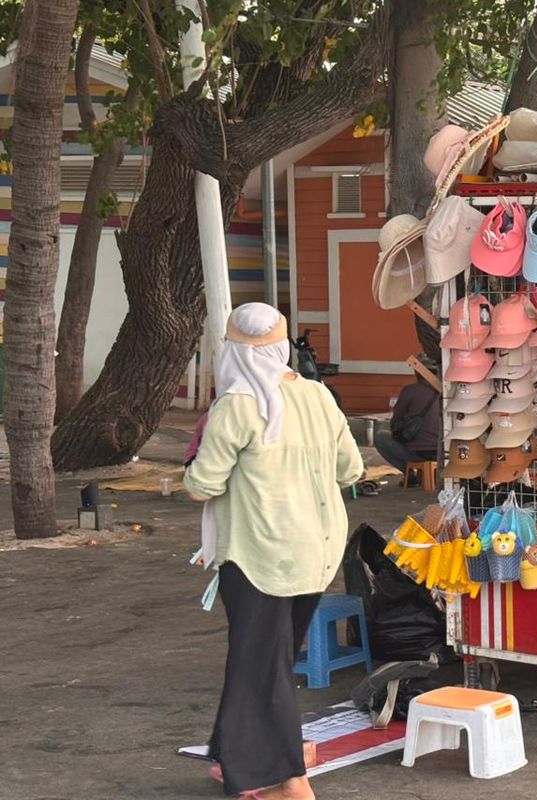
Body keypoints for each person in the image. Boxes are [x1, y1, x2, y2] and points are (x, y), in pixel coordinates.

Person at [184, 303, 364, 799]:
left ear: (233, 352)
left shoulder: (236, 407)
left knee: (263, 666)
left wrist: (190, 461)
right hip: (316, 552)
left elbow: (203, 485)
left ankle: (292, 781)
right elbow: (351, 469)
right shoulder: (318, 397)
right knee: (263, 661)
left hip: (258, 557)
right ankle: (232, 756)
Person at [376, 364, 441, 471]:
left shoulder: (410, 390)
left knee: (381, 436)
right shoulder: (448, 392)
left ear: (417, 372)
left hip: (416, 453)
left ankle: (409, 474)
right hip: (444, 453)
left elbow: (395, 421)